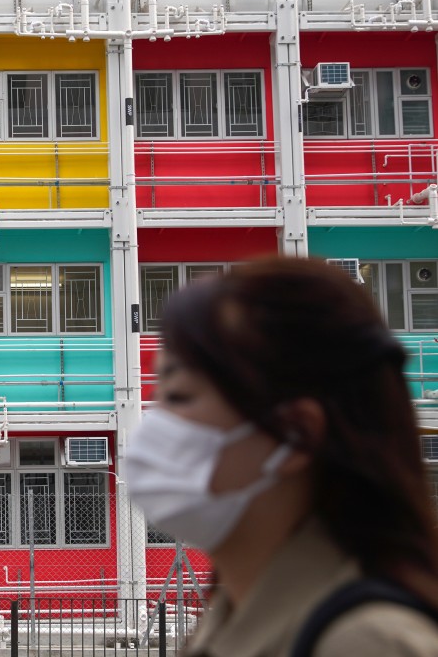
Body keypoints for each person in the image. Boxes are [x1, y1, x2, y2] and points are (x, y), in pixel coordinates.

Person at [122, 257, 438, 657]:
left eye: (180, 396)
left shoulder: (364, 642)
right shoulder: (227, 620)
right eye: (157, 397)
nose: (154, 425)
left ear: (296, 433)